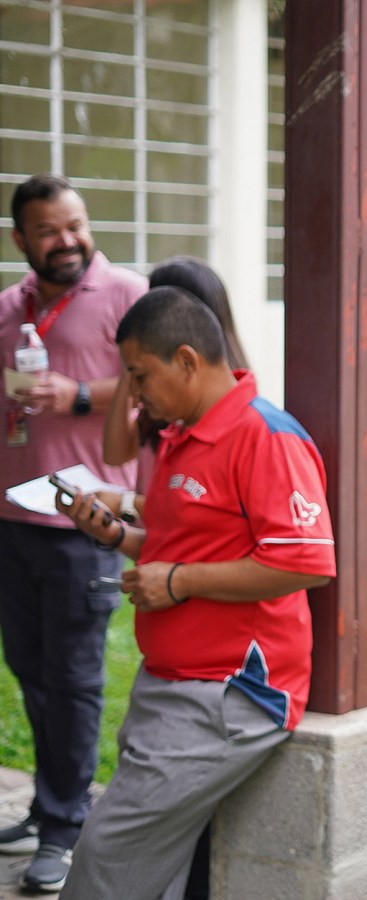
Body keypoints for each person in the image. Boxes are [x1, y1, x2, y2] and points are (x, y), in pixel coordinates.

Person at [53, 285, 336, 899]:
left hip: (231, 691)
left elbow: (307, 564)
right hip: (177, 687)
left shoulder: (266, 436)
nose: (134, 393)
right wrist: (121, 537)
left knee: (105, 854)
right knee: (155, 871)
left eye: (139, 375)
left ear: (186, 360)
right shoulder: (184, 433)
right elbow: (186, 546)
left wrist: (176, 582)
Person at [0, 173, 146, 892]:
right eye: (50, 231)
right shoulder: (9, 307)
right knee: (30, 668)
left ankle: (65, 826)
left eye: (76, 225)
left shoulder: (126, 294)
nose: (67, 242)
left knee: (75, 677)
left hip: (86, 520)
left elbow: (167, 380)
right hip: (12, 518)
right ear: (21, 239)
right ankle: (49, 805)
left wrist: (80, 395)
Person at [99, 256, 249, 524]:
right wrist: (134, 364)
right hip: (157, 547)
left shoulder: (211, 406)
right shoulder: (160, 391)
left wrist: (126, 503)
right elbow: (115, 453)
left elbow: (197, 508)